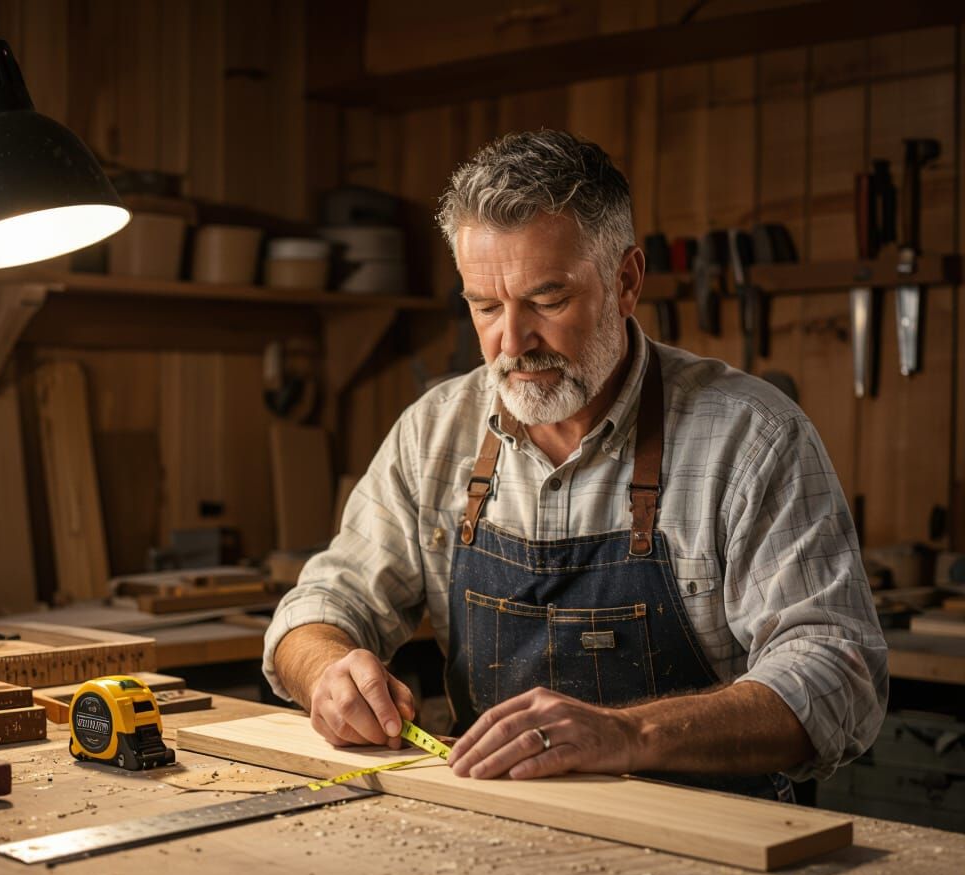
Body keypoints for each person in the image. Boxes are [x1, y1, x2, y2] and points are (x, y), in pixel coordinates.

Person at [263, 129, 887, 801]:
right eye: (484, 306)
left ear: (625, 281)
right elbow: (323, 604)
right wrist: (327, 667)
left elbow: (836, 676)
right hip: (494, 825)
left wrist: (629, 735)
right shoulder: (435, 431)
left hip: (713, 842)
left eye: (547, 300)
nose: (512, 341)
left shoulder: (753, 438)